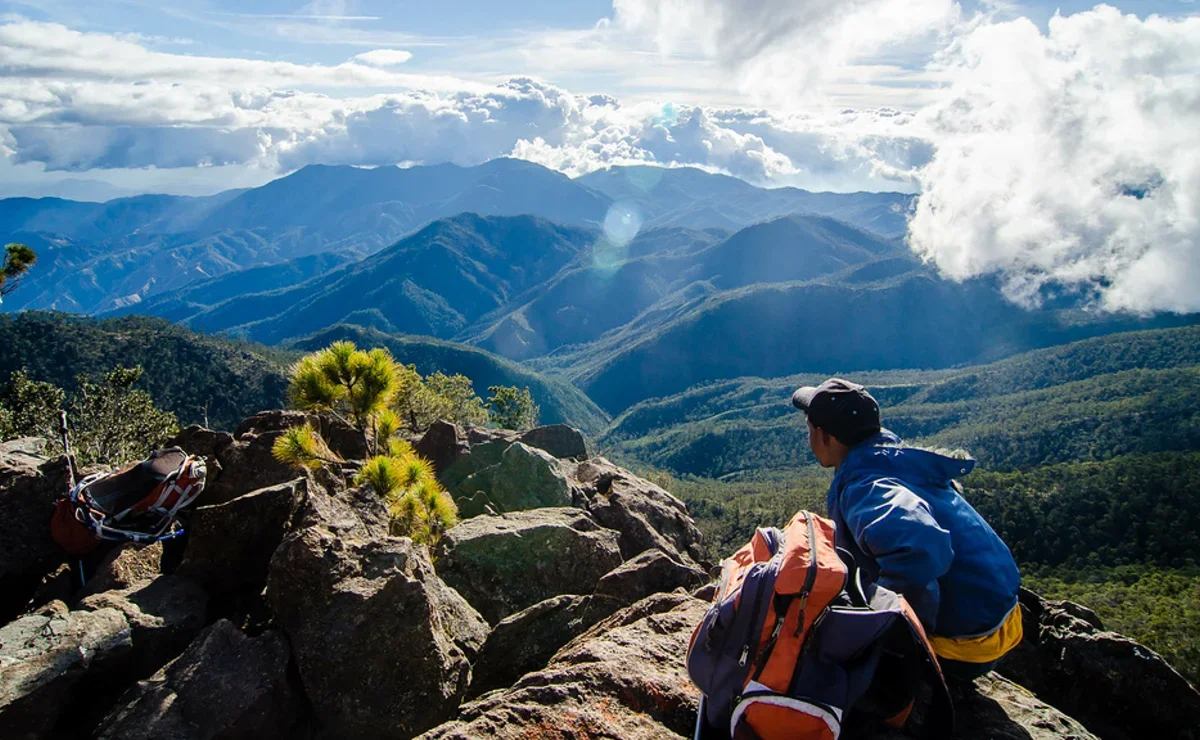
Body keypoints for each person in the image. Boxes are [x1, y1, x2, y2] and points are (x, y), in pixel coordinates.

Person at [792, 378, 1023, 683]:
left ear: (824, 437)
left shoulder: (866, 487)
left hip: (965, 645)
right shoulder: (896, 460)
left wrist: (896, 637)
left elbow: (920, 551)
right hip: (1003, 619)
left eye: (809, 429)